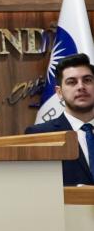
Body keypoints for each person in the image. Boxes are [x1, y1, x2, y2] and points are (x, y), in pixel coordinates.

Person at [25, 53, 94, 185]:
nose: (81, 86)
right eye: (72, 82)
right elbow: (36, 186)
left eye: (87, 80)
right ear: (59, 92)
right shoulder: (41, 136)